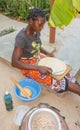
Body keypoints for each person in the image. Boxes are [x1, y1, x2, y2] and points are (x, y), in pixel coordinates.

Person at [12, 8, 80, 95]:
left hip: (37, 58)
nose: (41, 28)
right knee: (56, 79)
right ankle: (70, 87)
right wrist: (39, 68)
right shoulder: (21, 38)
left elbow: (36, 46)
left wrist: (46, 53)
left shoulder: (36, 31)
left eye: (43, 25)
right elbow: (14, 62)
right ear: (31, 21)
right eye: (40, 25)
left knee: (63, 71)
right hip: (28, 66)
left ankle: (73, 85)